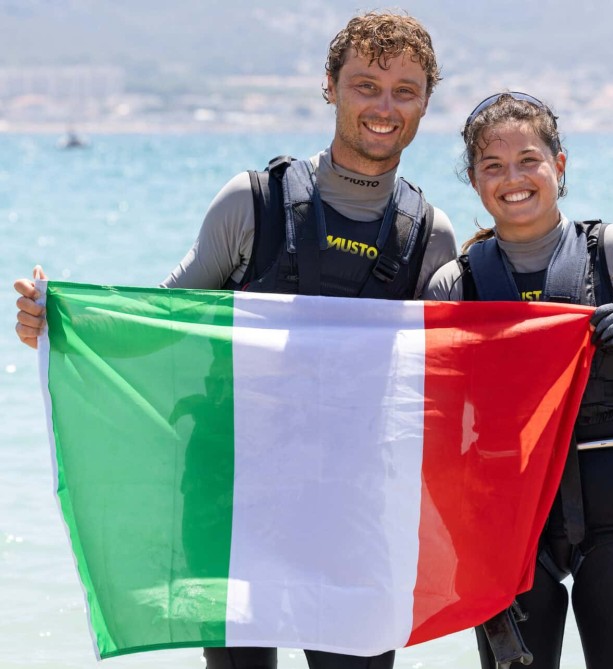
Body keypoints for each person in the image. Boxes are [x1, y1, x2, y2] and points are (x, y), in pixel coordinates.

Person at [14, 11, 458, 669]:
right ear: (329, 87)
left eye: (404, 90)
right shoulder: (252, 203)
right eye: (366, 85)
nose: (384, 106)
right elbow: (162, 321)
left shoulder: (430, 236)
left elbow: (457, 381)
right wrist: (62, 323)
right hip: (234, 499)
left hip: (353, 512)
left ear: (426, 101)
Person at [423, 92, 613, 669]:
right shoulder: (453, 286)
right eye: (493, 166)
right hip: (509, 531)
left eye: (529, 160)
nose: (513, 178)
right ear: (474, 180)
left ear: (559, 166)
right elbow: (430, 425)